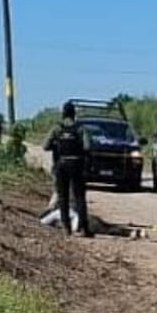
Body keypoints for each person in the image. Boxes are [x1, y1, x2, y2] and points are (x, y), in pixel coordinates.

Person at [43, 101, 93, 237]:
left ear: (63, 113)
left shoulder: (57, 129)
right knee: (79, 197)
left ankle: (66, 228)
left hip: (61, 164)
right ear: (74, 113)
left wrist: (56, 144)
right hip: (77, 165)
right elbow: (88, 147)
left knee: (63, 197)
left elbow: (45, 146)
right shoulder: (81, 129)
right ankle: (84, 228)